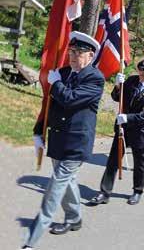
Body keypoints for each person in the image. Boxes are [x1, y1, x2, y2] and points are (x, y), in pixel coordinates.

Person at [19, 31, 105, 249]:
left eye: (79, 52)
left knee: (56, 184)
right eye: (71, 51)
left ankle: (33, 236)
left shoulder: (95, 78)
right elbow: (50, 105)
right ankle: (74, 217)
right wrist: (39, 130)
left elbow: (70, 100)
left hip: (76, 142)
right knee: (68, 182)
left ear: (91, 56)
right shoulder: (63, 72)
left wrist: (56, 84)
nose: (73, 56)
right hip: (58, 138)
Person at [89, 58, 144, 206]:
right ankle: (105, 192)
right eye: (140, 69)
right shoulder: (131, 81)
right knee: (113, 161)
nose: (142, 73)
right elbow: (116, 98)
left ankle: (137, 191)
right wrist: (117, 86)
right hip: (123, 129)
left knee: (139, 163)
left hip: (141, 132)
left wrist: (127, 118)